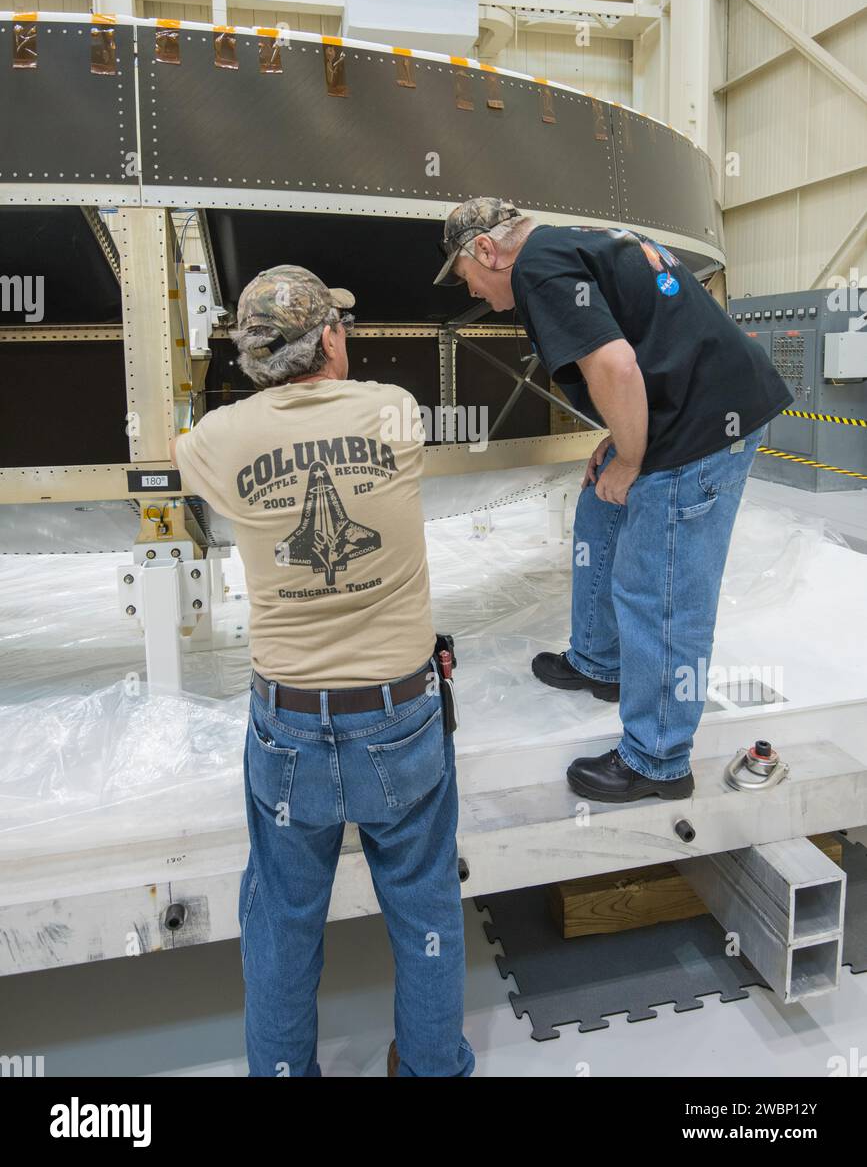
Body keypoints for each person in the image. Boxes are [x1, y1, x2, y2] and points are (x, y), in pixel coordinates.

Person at [173, 264, 474, 1077]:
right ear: (329, 339)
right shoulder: (394, 411)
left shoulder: (216, 442)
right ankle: (431, 1066)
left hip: (290, 724)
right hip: (400, 714)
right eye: (338, 325)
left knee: (280, 918)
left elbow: (179, 448)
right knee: (423, 905)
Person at [434, 198, 793, 802]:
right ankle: (600, 661)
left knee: (662, 584)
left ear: (486, 251)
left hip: (703, 425)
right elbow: (637, 346)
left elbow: (617, 363)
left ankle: (658, 759)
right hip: (696, 402)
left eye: (463, 273)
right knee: (602, 506)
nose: (467, 286)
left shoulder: (536, 270)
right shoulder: (572, 242)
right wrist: (622, 439)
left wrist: (632, 457)